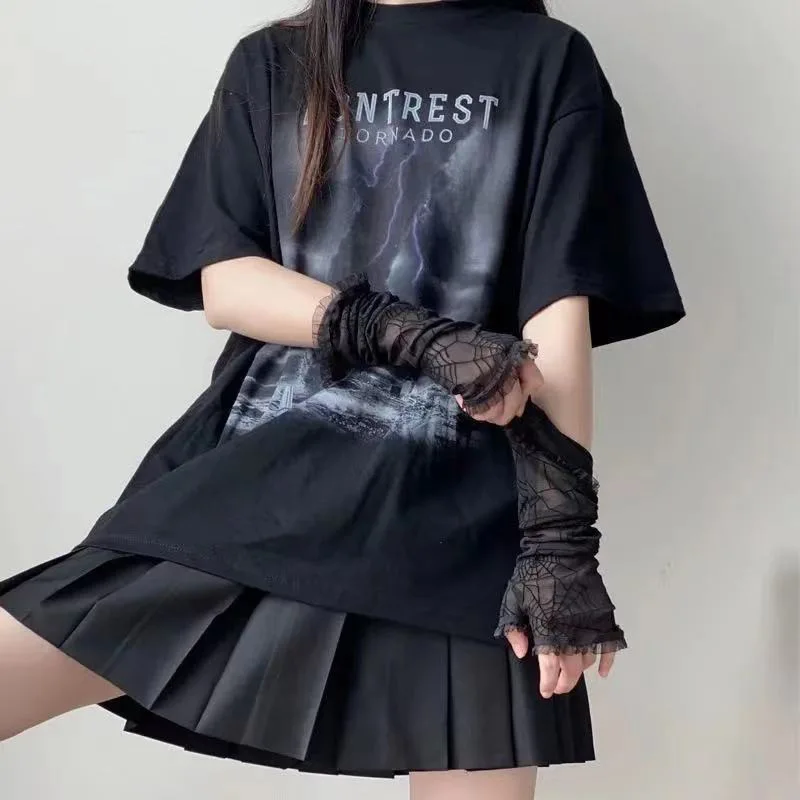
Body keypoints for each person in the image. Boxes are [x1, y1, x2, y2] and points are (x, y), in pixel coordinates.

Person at [0, 0, 685, 797]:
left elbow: (558, 314)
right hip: (272, 475)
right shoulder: (273, 60)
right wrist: (407, 332)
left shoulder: (547, 59)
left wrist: (560, 541)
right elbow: (227, 282)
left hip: (461, 512)